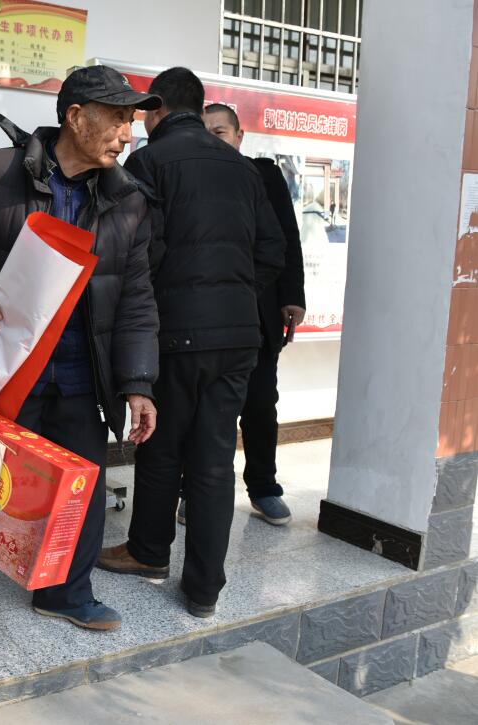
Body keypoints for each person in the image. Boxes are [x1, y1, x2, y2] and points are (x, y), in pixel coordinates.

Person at [0, 65, 161, 631]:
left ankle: (65, 592)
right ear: (75, 117)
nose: (127, 133)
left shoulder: (127, 200)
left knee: (80, 485)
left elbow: (136, 295)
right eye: (117, 118)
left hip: (83, 371)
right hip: (7, 364)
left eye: (131, 120)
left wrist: (138, 383)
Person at [98, 68, 285, 618]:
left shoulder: (149, 162)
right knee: (214, 460)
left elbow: (136, 250)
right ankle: (204, 589)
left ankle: (149, 551)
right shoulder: (242, 167)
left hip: (175, 333)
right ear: (199, 111)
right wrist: (231, 296)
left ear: (156, 109)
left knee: (161, 446)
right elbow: (271, 251)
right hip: (239, 336)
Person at [192, 102, 306, 527]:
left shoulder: (264, 175)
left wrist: (292, 297)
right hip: (202, 316)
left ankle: (263, 487)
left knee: (259, 405)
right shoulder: (188, 175)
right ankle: (193, 491)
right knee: (201, 409)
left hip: (257, 312)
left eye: (219, 132)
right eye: (204, 132)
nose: (212, 140)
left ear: (239, 137)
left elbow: (287, 237)